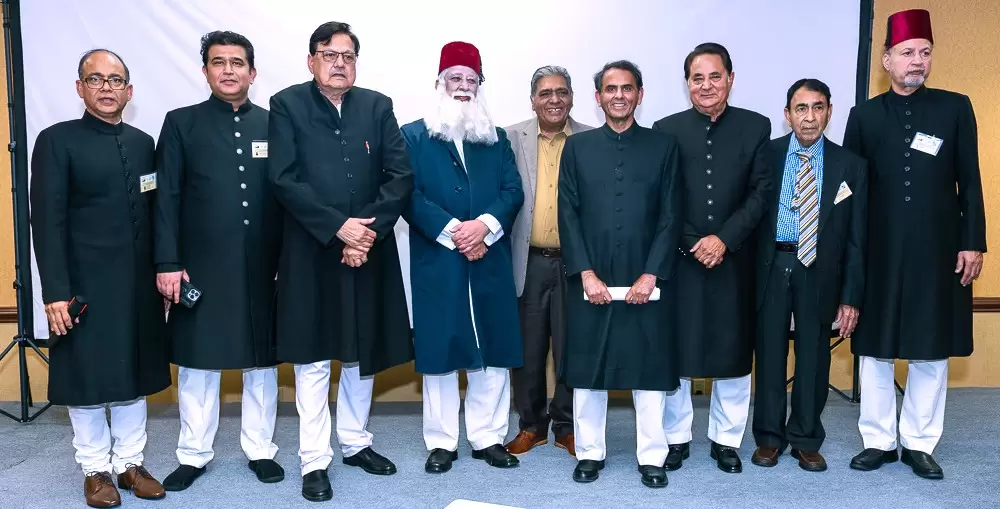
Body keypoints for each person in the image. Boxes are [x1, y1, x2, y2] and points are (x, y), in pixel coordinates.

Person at [268, 21, 414, 501]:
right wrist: (339, 227)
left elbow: (399, 175)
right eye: (329, 54)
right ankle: (314, 459)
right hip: (312, 249)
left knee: (360, 351)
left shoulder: (377, 106)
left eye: (347, 56)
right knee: (313, 359)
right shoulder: (287, 104)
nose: (339, 63)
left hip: (368, 248)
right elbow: (284, 178)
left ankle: (355, 443)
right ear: (311, 60)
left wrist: (364, 233)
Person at [843, 9, 986, 480]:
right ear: (887, 60)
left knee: (930, 348)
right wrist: (847, 250)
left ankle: (920, 443)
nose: (917, 61)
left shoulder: (954, 107)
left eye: (925, 52)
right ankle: (878, 440)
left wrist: (973, 242)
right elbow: (851, 190)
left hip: (938, 250)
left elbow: (971, 180)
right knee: (875, 349)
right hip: (879, 251)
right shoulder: (863, 115)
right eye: (907, 53)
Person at [30, 48, 168, 508]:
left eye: (115, 80)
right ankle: (95, 469)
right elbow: (46, 222)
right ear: (80, 87)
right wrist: (55, 292)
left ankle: (130, 464)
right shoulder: (56, 140)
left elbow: (154, 213)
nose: (106, 87)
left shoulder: (143, 142)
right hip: (81, 285)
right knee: (86, 378)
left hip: (136, 286)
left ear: (129, 91)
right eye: (95, 79)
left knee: (131, 375)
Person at [153, 31, 284, 491]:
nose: (228, 70)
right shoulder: (181, 123)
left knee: (262, 363)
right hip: (200, 266)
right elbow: (166, 199)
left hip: (264, 266)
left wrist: (287, 260)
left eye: (237, 62)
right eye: (218, 62)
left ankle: (261, 450)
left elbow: (289, 197)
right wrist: (167, 262)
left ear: (253, 72)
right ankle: (193, 454)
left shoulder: (275, 124)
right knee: (198, 363)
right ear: (205, 70)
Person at [400, 40, 525, 474]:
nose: (464, 86)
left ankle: (488, 437)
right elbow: (408, 195)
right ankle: (441, 442)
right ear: (439, 83)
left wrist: (483, 227)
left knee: (493, 348)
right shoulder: (413, 135)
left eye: (472, 79)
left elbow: (512, 191)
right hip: (439, 259)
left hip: (489, 257)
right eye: (455, 78)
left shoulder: (496, 137)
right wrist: (457, 232)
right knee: (442, 350)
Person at [558, 60, 682, 489]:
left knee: (648, 368)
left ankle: (653, 456)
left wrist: (651, 275)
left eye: (627, 88)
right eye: (610, 89)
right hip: (591, 276)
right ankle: (590, 453)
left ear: (639, 94)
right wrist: (585, 273)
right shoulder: (577, 148)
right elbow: (567, 213)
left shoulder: (664, 147)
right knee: (588, 367)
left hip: (645, 275)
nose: (619, 96)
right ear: (598, 98)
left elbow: (671, 215)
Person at [652, 42, 772, 473]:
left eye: (714, 76)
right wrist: (692, 241)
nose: (706, 85)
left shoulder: (756, 126)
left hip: (734, 259)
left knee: (732, 353)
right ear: (687, 83)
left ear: (731, 79)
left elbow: (761, 192)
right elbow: (663, 197)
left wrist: (724, 238)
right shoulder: (666, 129)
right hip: (682, 260)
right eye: (697, 78)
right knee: (678, 353)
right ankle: (676, 438)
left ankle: (726, 440)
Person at [750, 79, 868, 473]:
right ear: (787, 114)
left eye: (818, 107)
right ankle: (769, 438)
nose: (810, 117)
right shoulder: (766, 155)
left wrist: (851, 296)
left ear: (829, 112)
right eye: (801, 108)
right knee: (769, 354)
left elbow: (857, 238)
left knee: (814, 356)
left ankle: (805, 439)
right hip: (773, 264)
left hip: (819, 268)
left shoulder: (850, 164)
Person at [503, 65, 593, 457]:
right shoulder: (509, 138)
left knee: (573, 346)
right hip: (528, 260)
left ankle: (567, 426)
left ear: (571, 97)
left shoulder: (591, 139)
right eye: (545, 93)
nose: (554, 100)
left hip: (576, 263)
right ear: (533, 100)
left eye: (561, 92)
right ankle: (531, 425)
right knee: (528, 348)